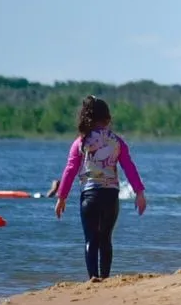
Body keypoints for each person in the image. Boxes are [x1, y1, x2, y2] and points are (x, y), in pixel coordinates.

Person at [55, 95, 148, 281]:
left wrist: (61, 197)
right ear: (107, 118)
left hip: (89, 195)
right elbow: (129, 167)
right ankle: (105, 278)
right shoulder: (117, 141)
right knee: (105, 239)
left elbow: (71, 169)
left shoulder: (80, 142)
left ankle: (92, 278)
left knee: (91, 239)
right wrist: (139, 193)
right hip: (111, 196)